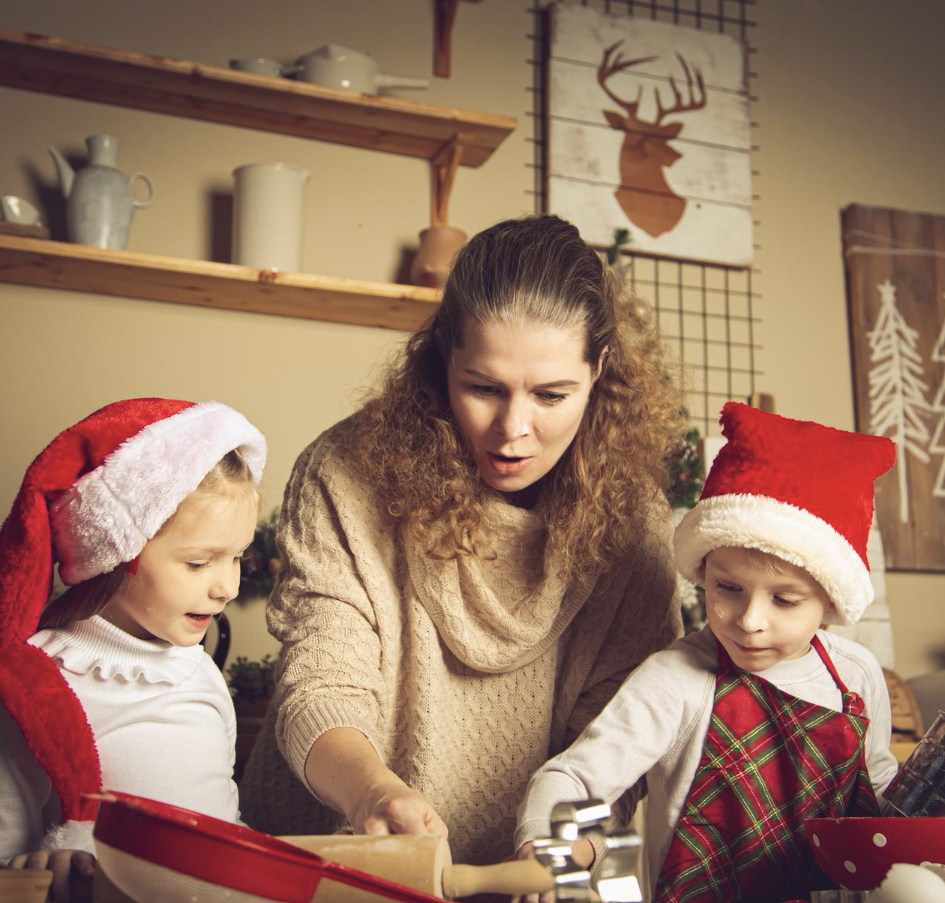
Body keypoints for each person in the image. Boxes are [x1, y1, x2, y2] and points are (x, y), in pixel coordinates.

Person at [240, 214, 688, 866]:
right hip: (335, 861)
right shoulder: (344, 474)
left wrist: (558, 855)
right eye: (483, 388)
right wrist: (372, 795)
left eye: (552, 394)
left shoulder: (635, 526)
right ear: (442, 353)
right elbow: (321, 684)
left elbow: (613, 744)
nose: (513, 430)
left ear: (601, 370)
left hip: (522, 884)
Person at [0, 399, 266, 903]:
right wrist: (41, 875)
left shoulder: (200, 672)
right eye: (198, 563)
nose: (228, 587)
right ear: (113, 552)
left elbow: (221, 822)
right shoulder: (29, 688)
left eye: (238, 557)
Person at [513, 401, 901, 903]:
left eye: (784, 600)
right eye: (728, 588)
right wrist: (548, 848)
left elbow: (878, 785)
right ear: (702, 571)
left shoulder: (855, 676)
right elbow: (574, 781)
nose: (749, 620)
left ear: (831, 600)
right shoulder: (677, 678)